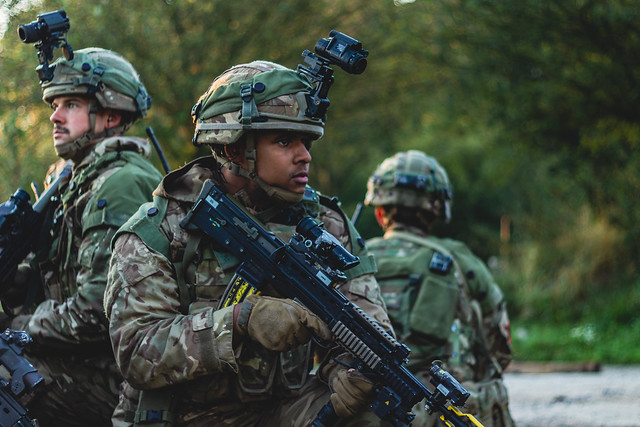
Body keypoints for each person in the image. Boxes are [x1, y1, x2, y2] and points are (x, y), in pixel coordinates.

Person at [104, 60, 393, 426]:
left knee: (371, 414)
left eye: (307, 141)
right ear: (234, 149)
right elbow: (136, 353)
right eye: (285, 141)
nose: (304, 156)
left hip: (281, 411)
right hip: (182, 416)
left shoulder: (328, 226)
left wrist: (345, 374)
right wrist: (239, 321)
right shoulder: (161, 229)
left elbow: (368, 329)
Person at [0, 47, 163, 426]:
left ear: (111, 114)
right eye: (55, 105)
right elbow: (58, 281)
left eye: (71, 104)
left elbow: (96, 313)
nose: (55, 116)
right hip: (81, 360)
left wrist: (16, 327)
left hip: (120, 378)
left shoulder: (120, 183)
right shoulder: (76, 178)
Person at [364, 150, 515, 427]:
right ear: (434, 212)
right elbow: (499, 345)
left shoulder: (354, 259)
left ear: (379, 212)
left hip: (367, 411)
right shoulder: (460, 259)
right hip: (444, 414)